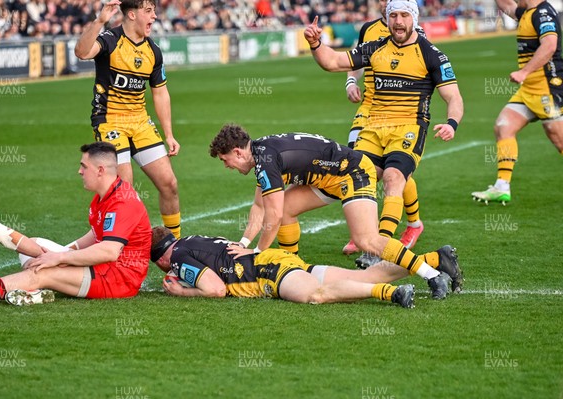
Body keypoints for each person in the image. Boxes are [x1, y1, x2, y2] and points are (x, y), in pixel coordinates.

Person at [209, 125, 463, 298]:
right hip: (327, 177)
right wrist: (243, 242)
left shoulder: (265, 160)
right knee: (286, 208)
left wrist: (258, 252)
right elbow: (259, 206)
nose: (226, 166)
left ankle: (432, 273)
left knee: (367, 240)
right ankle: (292, 269)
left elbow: (271, 216)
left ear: (237, 152)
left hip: (351, 173)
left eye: (224, 160)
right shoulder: (261, 152)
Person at [304, 2, 464, 269]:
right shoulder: (375, 46)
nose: (398, 21)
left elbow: (454, 96)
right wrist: (316, 44)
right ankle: (371, 238)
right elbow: (333, 62)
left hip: (408, 128)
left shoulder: (431, 54)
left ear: (413, 18)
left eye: (403, 16)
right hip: (373, 127)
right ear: (387, 19)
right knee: (358, 175)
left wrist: (451, 123)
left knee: (393, 177)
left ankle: (379, 247)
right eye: (393, 16)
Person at [0, 143, 152, 305]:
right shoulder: (106, 195)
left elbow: (109, 251)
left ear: (100, 170)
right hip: (104, 266)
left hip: (117, 278)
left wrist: (60, 259)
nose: (80, 171)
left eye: (84, 166)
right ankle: (33, 290)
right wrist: (58, 255)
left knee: (43, 273)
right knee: (33, 245)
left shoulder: (123, 202)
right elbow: (96, 234)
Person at [74, 0, 182, 239]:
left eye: (154, 11)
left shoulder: (153, 50)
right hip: (110, 120)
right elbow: (81, 52)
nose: (154, 16)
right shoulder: (110, 40)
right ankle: (123, 251)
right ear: (131, 15)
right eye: (149, 11)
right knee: (125, 190)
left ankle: (174, 249)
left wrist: (169, 134)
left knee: (169, 183)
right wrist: (100, 21)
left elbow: (160, 92)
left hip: (140, 122)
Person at [151, 226, 415, 308]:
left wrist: (182, 292)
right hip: (278, 259)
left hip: (268, 273)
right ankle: (433, 262)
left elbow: (216, 289)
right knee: (363, 275)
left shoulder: (177, 257)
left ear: (161, 259)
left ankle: (391, 293)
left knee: (316, 295)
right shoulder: (189, 240)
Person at [342, 0, 426, 256]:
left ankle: (412, 223)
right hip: (369, 107)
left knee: (395, 170)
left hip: (398, 112)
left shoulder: (412, 31)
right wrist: (350, 82)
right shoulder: (368, 29)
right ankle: (362, 232)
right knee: (356, 167)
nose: (384, 3)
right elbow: (356, 60)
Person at [471, 0, 563, 204]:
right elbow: (508, 7)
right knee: (503, 127)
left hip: (546, 88)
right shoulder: (526, 12)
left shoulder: (543, 13)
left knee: (559, 139)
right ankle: (502, 187)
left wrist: (524, 71)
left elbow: (550, 46)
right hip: (528, 90)